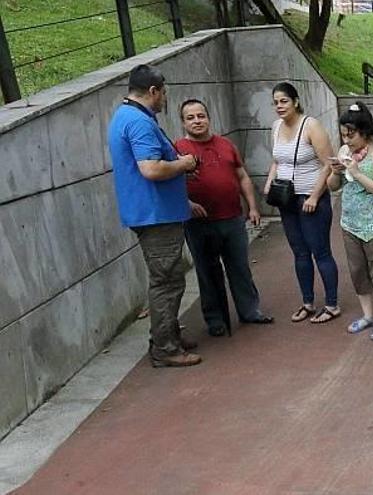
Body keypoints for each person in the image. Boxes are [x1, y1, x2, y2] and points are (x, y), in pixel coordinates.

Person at [107, 64, 201, 368]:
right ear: (153, 91)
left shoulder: (128, 116)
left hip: (154, 213)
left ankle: (168, 335)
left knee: (169, 278)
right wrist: (184, 164)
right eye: (163, 94)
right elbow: (151, 168)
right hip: (155, 216)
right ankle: (165, 347)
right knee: (167, 281)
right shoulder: (139, 122)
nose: (164, 100)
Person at [175, 99, 274, 337]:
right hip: (198, 224)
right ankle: (215, 320)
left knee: (240, 268)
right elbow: (170, 184)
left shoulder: (226, 144)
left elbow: (242, 177)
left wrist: (252, 206)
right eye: (191, 118)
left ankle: (250, 311)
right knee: (208, 273)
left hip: (232, 219)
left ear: (208, 118)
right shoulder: (177, 149)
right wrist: (188, 204)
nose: (197, 121)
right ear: (183, 122)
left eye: (201, 116)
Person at [264, 82, 341, 324]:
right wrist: (269, 183)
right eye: (275, 102)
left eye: (284, 101)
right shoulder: (276, 127)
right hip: (286, 198)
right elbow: (277, 160)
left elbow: (328, 162)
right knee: (299, 252)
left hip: (310, 198)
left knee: (320, 251)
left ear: (296, 101)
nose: (279, 106)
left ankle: (331, 304)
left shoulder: (311, 126)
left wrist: (315, 196)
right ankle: (307, 302)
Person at [327, 102, 373, 341]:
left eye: (352, 134)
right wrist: (336, 171)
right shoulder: (344, 151)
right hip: (350, 223)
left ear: (365, 131)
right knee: (358, 270)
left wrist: (357, 173)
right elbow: (333, 186)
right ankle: (368, 315)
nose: (347, 140)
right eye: (344, 134)